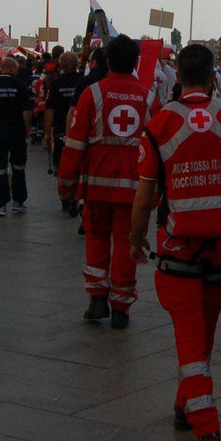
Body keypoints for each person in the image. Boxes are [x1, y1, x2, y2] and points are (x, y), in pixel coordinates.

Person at [130, 44, 221, 441]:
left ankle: (207, 431)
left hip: (179, 247)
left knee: (188, 336)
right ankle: (186, 404)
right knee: (203, 332)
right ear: (212, 75)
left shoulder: (160, 125)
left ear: (179, 75)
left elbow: (145, 195)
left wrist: (135, 238)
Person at [60, 35, 154, 329]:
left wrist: (66, 182)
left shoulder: (92, 94)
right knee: (129, 244)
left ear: (108, 60)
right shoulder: (149, 98)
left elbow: (75, 144)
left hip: (97, 186)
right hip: (134, 190)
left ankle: (97, 297)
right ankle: (121, 307)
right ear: (135, 61)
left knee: (96, 237)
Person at [0, 55, 32, 216]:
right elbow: (26, 111)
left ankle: (0, 205)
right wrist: (27, 129)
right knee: (18, 166)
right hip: (16, 130)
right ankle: (18, 202)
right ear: (12, 68)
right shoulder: (20, 85)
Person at [44, 51, 82, 214]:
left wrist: (47, 133)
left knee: (62, 165)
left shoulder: (56, 84)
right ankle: (77, 197)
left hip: (60, 130)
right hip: (80, 130)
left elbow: (50, 110)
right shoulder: (83, 82)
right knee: (80, 166)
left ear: (60, 65)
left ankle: (65, 197)